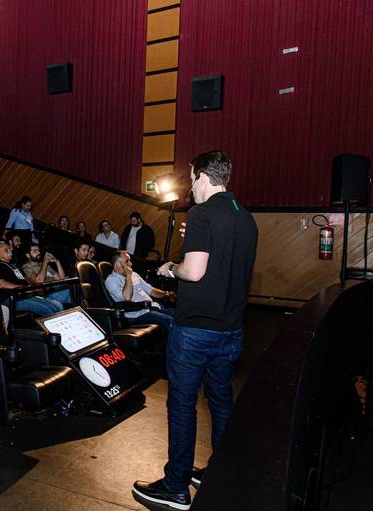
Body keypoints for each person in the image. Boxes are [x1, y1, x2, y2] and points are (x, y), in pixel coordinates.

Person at [132, 151, 258, 510]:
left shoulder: (201, 214)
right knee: (220, 401)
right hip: (231, 331)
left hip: (195, 331)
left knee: (182, 405)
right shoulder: (245, 217)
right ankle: (221, 472)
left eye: (191, 178)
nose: (190, 186)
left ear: (202, 177)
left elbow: (195, 271)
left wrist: (172, 267)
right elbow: (223, 258)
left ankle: (175, 486)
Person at [0, 241, 64, 317]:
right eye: (6, 250)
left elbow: (26, 279)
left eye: (9, 248)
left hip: (26, 295)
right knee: (48, 310)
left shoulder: (14, 264)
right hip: (12, 298)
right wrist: (22, 288)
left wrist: (33, 288)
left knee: (58, 306)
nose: (10, 251)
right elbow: (1, 284)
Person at [105, 251, 174, 332]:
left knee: (180, 316)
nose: (130, 264)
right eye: (127, 261)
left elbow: (151, 290)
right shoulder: (111, 280)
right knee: (171, 321)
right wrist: (128, 276)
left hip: (152, 308)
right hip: (136, 315)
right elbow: (127, 298)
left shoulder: (134, 274)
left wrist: (166, 294)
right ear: (117, 264)